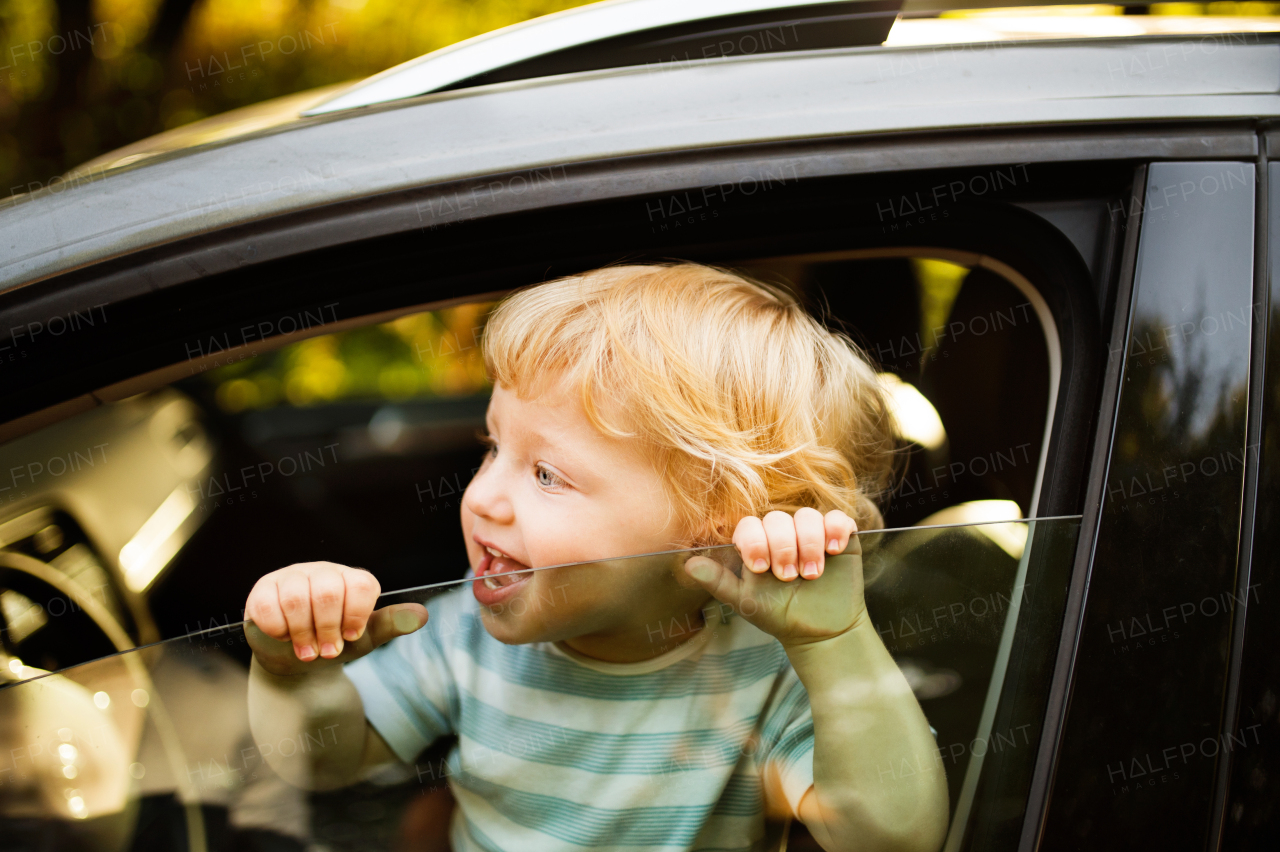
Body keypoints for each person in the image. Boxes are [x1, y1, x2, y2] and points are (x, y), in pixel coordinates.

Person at [243, 263, 949, 852]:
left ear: (714, 528)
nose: (482, 496)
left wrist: (836, 644)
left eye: (548, 474)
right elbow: (326, 761)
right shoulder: (463, 634)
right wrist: (291, 672)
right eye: (493, 448)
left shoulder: (766, 672)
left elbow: (894, 838)